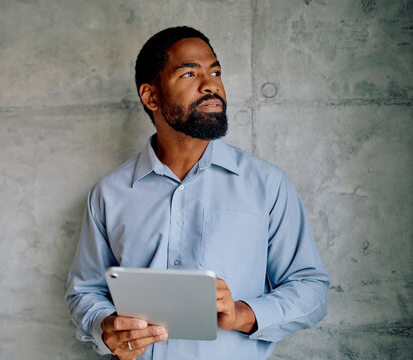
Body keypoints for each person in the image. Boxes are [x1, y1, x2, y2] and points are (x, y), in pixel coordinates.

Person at [66, 26, 329, 360]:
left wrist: (243, 314)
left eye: (215, 71)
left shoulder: (268, 185)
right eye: (190, 73)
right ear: (151, 97)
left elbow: (310, 288)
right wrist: (105, 326)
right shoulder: (108, 193)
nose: (211, 85)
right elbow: (84, 292)